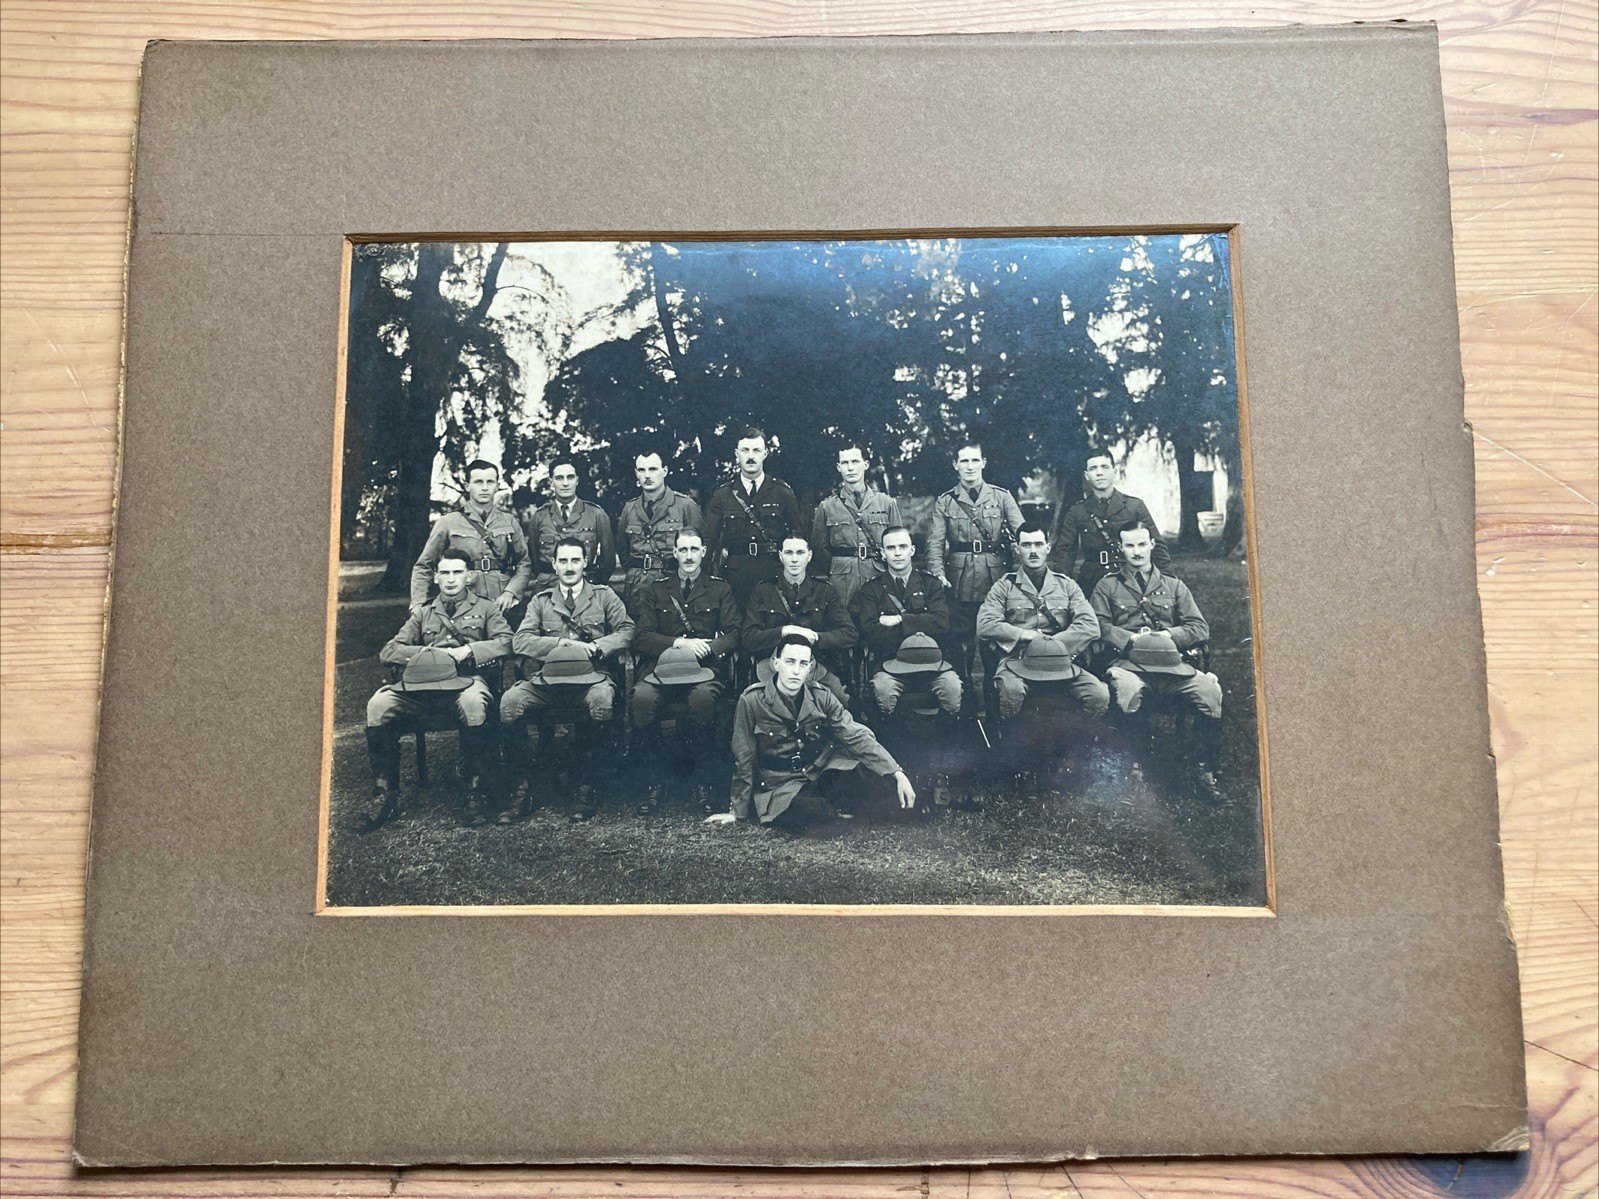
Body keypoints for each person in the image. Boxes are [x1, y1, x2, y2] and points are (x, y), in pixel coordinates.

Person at [709, 634, 916, 836]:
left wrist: (895, 772)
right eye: (790, 662)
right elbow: (744, 755)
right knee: (814, 812)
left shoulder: (821, 696)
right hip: (780, 785)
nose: (796, 671)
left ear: (810, 668)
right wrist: (738, 812)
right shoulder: (752, 701)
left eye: (803, 664)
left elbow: (854, 735)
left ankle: (844, 810)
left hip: (818, 773)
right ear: (776, 663)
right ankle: (837, 813)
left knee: (880, 784)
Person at [365, 546, 512, 830]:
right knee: (378, 705)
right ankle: (384, 795)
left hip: (465, 683)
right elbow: (389, 651)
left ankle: (474, 791)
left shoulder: (486, 608)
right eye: (444, 573)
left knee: (474, 702)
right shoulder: (423, 613)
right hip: (420, 689)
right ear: (435, 577)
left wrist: (468, 650)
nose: (451, 579)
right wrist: (427, 655)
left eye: (458, 572)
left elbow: (507, 641)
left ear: (469, 576)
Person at [499, 537, 634, 822]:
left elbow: (627, 630)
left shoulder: (603, 595)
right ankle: (524, 788)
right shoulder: (541, 600)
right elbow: (520, 640)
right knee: (510, 702)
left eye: (575, 560)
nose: (569, 567)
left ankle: (588, 785)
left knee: (601, 701)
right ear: (554, 564)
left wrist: (598, 647)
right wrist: (560, 644)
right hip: (548, 681)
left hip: (591, 678)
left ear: (585, 563)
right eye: (563, 561)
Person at [1090, 522, 1223, 802]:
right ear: (1120, 548)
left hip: (1174, 668)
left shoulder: (1174, 586)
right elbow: (1098, 625)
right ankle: (1134, 771)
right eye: (1129, 545)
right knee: (1127, 693)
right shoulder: (1108, 585)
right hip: (1130, 665)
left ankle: (1205, 773)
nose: (1136, 552)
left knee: (1210, 694)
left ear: (1152, 545)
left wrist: (1168, 635)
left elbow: (1199, 627)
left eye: (1141, 544)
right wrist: (1131, 640)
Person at [631, 527, 742, 814]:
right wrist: (679, 643)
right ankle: (656, 781)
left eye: (695, 549)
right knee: (642, 699)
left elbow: (733, 633)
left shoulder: (720, 588)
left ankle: (702, 781)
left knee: (703, 700)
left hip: (704, 669)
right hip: (661, 668)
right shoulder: (656, 589)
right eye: (683, 550)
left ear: (703, 552)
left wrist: (711, 648)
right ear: (675, 553)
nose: (689, 556)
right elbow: (642, 636)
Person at [976, 522, 1109, 724]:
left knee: (1098, 694)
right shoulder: (1004, 586)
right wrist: (1025, 635)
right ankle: (1013, 745)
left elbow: (1089, 625)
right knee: (1011, 691)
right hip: (1018, 661)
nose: (1033, 551)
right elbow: (985, 624)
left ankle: (1080, 742)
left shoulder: (1066, 585)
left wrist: (1053, 644)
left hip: (1063, 663)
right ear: (1017, 549)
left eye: (1038, 544)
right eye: (1027, 545)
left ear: (1048, 548)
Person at [924, 442, 1025, 682]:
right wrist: (938, 574)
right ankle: (965, 693)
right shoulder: (946, 502)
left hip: (996, 580)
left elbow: (1023, 536)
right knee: (962, 642)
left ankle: (996, 689)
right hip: (960, 581)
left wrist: (1023, 573)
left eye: (974, 460)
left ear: (983, 463)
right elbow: (935, 543)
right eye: (964, 461)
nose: (970, 466)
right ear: (956, 465)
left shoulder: (1002, 497)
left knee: (997, 641)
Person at [853, 526, 960, 720]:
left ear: (912, 550)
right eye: (891, 548)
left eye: (903, 546)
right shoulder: (871, 589)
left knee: (952, 690)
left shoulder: (931, 584)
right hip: (890, 663)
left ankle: (945, 741)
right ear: (883, 554)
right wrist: (921, 627)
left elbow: (942, 624)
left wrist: (900, 620)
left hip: (933, 664)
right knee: (883, 691)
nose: (897, 553)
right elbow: (871, 632)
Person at [741, 534, 856, 703]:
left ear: (809, 556)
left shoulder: (825, 591)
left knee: (838, 698)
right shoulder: (763, 591)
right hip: (774, 666)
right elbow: (748, 637)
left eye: (800, 553)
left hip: (814, 666)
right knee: (761, 702)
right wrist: (782, 632)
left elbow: (849, 633)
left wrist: (817, 637)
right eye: (789, 553)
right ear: (780, 556)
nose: (794, 559)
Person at [409, 459, 533, 616]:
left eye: (490, 482)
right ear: (467, 486)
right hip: (463, 602)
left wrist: (511, 593)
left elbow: (524, 563)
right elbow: (424, 565)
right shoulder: (448, 522)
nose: (485, 488)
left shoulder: (509, 521)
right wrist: (418, 603)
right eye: (478, 482)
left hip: (501, 603)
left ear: (497, 485)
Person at [702, 427, 805, 609]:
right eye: (745, 450)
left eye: (756, 450)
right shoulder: (722, 495)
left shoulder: (782, 493)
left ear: (765, 453)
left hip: (773, 574)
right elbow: (709, 542)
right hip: (735, 577)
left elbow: (799, 536)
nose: (751, 456)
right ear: (737, 453)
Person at [1052, 447, 1172, 595]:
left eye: (1105, 467)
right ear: (1086, 475)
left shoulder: (1135, 506)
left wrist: (1169, 584)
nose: (1099, 472)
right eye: (1093, 468)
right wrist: (1061, 591)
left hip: (1130, 577)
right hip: (1092, 582)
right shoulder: (1077, 511)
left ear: (1114, 472)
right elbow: (1065, 554)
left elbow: (1158, 548)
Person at [810, 441, 901, 608]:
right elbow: (819, 547)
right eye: (845, 463)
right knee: (845, 626)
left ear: (865, 464)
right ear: (838, 467)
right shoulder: (826, 507)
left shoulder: (886, 503)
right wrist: (839, 567)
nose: (850, 468)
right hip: (842, 582)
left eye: (855, 462)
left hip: (878, 577)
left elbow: (898, 543)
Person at [615, 449, 702, 615]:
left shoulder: (685, 506)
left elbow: (700, 554)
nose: (647, 475)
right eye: (642, 470)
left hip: (675, 587)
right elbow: (624, 551)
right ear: (636, 474)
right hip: (638, 590)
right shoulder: (629, 509)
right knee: (639, 637)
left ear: (665, 471)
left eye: (653, 469)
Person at [524, 458, 616, 590]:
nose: (565, 483)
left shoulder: (596, 514)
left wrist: (594, 585)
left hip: (586, 587)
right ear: (551, 482)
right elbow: (534, 558)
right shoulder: (540, 517)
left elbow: (608, 560)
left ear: (577, 481)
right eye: (559, 478)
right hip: (549, 589)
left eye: (570, 477)